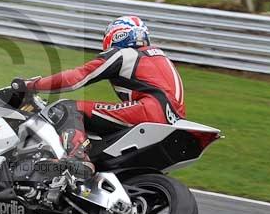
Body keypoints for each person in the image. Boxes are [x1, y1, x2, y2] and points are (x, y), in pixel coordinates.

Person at [11, 16, 186, 179]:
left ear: (115, 37)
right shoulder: (162, 58)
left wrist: (32, 85)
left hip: (149, 110)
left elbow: (75, 78)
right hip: (175, 120)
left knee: (66, 107)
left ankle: (78, 157)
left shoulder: (123, 54)